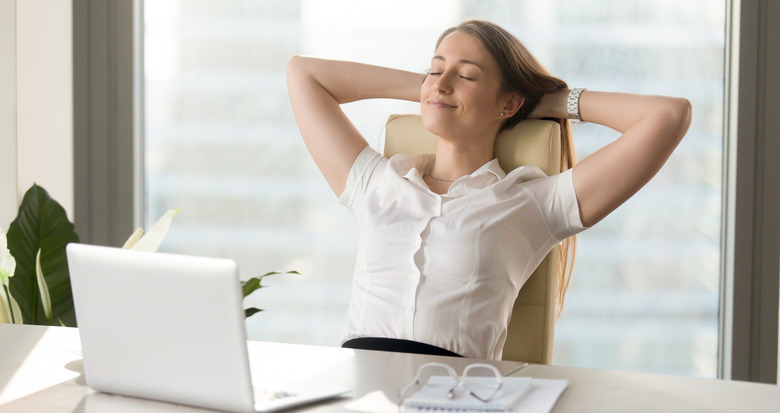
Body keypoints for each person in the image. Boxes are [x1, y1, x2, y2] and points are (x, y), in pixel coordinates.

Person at [286, 19, 691, 360]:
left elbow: (668, 115)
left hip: (456, 404)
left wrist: (549, 101)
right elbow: (302, 73)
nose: (442, 82)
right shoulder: (375, 182)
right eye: (435, 68)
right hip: (355, 395)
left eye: (466, 75)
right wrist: (433, 91)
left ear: (508, 105)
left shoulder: (533, 204)